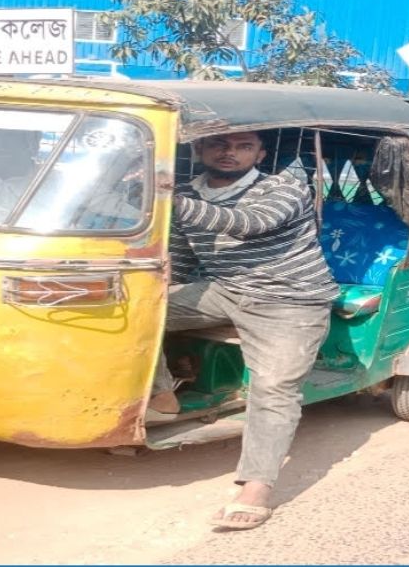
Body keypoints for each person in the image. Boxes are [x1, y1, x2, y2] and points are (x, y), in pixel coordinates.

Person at [150, 130, 338, 531]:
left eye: (243, 146)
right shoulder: (187, 193)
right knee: (134, 311)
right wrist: (158, 292)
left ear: (261, 152)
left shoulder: (283, 186)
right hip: (226, 290)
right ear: (198, 149)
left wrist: (166, 198)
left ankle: (255, 488)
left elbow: (248, 223)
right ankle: (162, 394)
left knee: (273, 390)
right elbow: (183, 256)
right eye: (219, 144)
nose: (230, 153)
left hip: (292, 300)